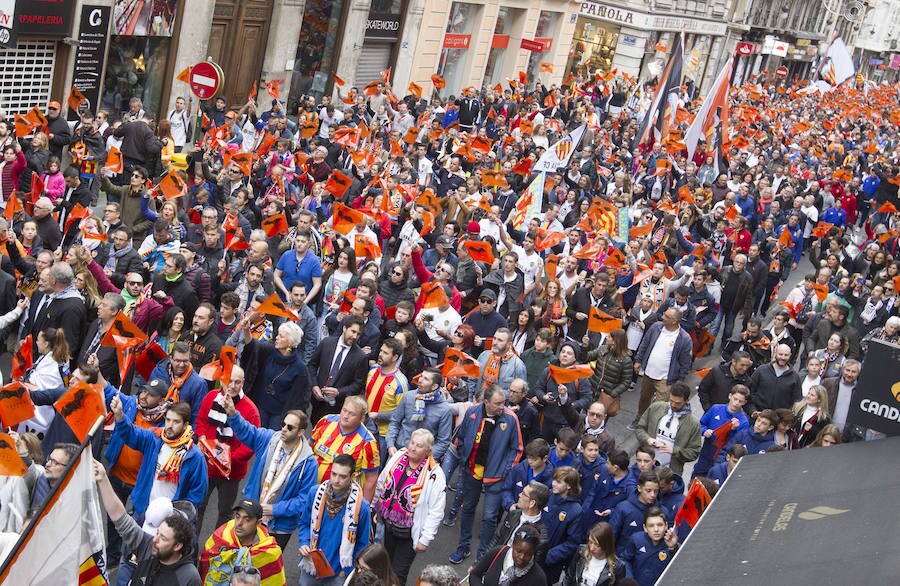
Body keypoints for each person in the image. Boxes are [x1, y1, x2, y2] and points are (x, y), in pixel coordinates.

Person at [224, 393, 318, 550]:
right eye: (283, 424)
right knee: (239, 559)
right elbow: (247, 431)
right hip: (251, 514)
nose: (284, 429)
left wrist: (275, 510)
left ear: (301, 432)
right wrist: (233, 414)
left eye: (290, 427)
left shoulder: (309, 463)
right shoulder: (269, 439)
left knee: (267, 569)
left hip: (279, 526)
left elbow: (304, 500)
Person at [93, 460, 201, 586]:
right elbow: (120, 517)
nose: (155, 539)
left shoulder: (189, 578)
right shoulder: (149, 546)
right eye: (157, 533)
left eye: (163, 538)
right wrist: (103, 479)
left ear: (177, 546)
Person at [450, 384, 524, 564]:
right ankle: (463, 547)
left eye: (503, 402)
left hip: (496, 477)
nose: (502, 406)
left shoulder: (511, 418)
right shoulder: (473, 412)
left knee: (490, 517)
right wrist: (464, 459)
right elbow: (462, 436)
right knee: (467, 509)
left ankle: (482, 556)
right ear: (486, 402)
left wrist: (504, 471)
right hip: (471, 471)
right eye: (497, 403)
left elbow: (517, 449)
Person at [109, 395, 208, 519]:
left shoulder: (194, 456)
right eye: (168, 420)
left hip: (169, 520)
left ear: (185, 425)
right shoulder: (155, 437)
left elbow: (197, 492)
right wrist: (119, 415)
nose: (170, 425)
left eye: (176, 421)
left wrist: (179, 516)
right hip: (142, 512)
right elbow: (132, 434)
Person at [373, 429, 447, 586]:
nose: (412, 448)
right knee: (385, 566)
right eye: (412, 442)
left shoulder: (435, 474)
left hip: (410, 533)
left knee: (398, 573)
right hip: (388, 524)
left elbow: (436, 511)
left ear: (427, 451)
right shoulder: (399, 456)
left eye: (419, 445)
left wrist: (425, 539)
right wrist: (376, 507)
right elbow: (382, 481)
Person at [195, 365, 260, 529]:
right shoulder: (211, 397)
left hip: (231, 472)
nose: (232, 386)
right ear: (222, 380)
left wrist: (224, 460)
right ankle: (191, 548)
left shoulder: (251, 410)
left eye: (237, 382)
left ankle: (217, 550)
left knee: (225, 512)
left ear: (243, 383)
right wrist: (202, 440)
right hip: (206, 466)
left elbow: (250, 445)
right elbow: (201, 421)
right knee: (198, 507)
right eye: (229, 381)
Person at [298, 453, 372, 586]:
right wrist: (304, 542)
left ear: (352, 476)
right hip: (311, 565)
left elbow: (362, 544)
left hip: (338, 574)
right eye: (334, 474)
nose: (336, 480)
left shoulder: (362, 507)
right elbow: (304, 523)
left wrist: (346, 570)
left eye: (342, 476)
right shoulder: (315, 493)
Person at [238, 318, 310, 428]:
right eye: (278, 335)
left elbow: (299, 399)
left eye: (281, 336)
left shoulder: (300, 369)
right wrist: (246, 330)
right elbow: (252, 346)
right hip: (259, 406)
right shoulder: (269, 351)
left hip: (279, 415)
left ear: (290, 343)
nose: (276, 338)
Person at [309, 395, 381, 500]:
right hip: (310, 487)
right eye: (344, 410)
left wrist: (362, 507)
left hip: (339, 498)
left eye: (351, 414)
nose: (345, 416)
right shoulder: (326, 420)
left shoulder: (368, 442)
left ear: (362, 418)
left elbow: (372, 479)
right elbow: (309, 446)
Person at [199, 498, 286, 584]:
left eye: (247, 519)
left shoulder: (269, 552)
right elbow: (205, 566)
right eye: (237, 516)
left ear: (258, 523)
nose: (239, 523)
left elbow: (274, 581)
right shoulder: (221, 537)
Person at [631, 308, 693, 427]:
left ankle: (652, 426)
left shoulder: (684, 339)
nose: (663, 317)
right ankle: (640, 419)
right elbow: (645, 343)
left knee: (660, 406)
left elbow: (685, 363)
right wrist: (638, 360)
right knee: (644, 398)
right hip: (648, 373)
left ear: (674, 321)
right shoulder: (656, 327)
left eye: (667, 316)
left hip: (666, 379)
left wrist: (679, 382)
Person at [307, 315, 368, 424]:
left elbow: (358, 384)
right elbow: (312, 365)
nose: (354, 336)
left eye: (358, 334)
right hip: (317, 401)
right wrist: (314, 385)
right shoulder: (327, 343)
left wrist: (339, 392)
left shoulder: (360, 357)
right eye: (353, 331)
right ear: (344, 328)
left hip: (338, 407)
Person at [385, 368, 454, 461]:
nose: (420, 380)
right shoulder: (408, 397)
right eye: (421, 376)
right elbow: (395, 422)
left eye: (426, 379)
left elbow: (443, 441)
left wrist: (427, 459)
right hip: (398, 452)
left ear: (434, 386)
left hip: (423, 460)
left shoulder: (444, 409)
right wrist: (390, 445)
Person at [634, 382, 701, 475]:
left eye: (678, 403)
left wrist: (674, 450)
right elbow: (639, 428)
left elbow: (694, 452)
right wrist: (648, 439)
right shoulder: (656, 407)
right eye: (671, 401)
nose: (673, 405)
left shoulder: (693, 423)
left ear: (687, 400)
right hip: (645, 465)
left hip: (669, 472)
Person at [693, 385, 750, 477]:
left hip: (723, 460)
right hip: (706, 455)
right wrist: (705, 431)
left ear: (744, 402)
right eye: (735, 399)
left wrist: (734, 431)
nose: (736, 403)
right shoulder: (716, 408)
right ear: (730, 396)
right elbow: (700, 425)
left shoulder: (743, 422)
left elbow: (739, 445)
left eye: (740, 401)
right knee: (696, 480)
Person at [489, 480, 551, 564]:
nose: (519, 495)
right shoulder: (513, 514)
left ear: (532, 503)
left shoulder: (541, 539)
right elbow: (496, 538)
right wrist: (480, 563)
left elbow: (533, 569)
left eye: (523, 494)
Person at [150, 340, 208, 424]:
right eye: (178, 361)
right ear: (171, 359)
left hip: (180, 431)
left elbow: (198, 417)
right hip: (154, 423)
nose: (181, 365)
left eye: (185, 361)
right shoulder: (158, 372)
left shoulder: (198, 384)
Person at [468, 524, 547, 586]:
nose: (522, 557)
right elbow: (475, 575)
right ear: (512, 544)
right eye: (518, 551)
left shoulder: (538, 579)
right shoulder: (498, 552)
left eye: (528, 554)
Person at [542, 466, 583, 584]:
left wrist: (548, 557)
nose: (553, 483)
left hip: (549, 565)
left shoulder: (576, 511)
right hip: (529, 554)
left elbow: (572, 543)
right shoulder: (546, 496)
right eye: (554, 480)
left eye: (558, 482)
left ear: (569, 485)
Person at [619, 507, 678, 586]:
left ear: (666, 526)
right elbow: (624, 560)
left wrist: (673, 549)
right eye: (651, 526)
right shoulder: (636, 539)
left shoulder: (673, 545)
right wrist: (630, 580)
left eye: (660, 525)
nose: (656, 529)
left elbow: (680, 570)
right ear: (645, 528)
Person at [609, 470, 659, 555]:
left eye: (656, 491)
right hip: (623, 558)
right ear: (639, 488)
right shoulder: (623, 508)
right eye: (648, 491)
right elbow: (611, 536)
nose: (653, 495)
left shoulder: (661, 511)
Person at [562, 522, 626, 586]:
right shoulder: (581, 552)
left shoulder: (618, 567)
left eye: (597, 545)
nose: (592, 548)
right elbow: (568, 578)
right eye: (590, 542)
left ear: (606, 545)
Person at [746, 343, 802, 416]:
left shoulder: (795, 377)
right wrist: (752, 411)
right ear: (775, 353)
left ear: (790, 355)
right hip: (758, 416)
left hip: (778, 420)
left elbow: (796, 401)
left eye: (786, 355)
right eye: (780, 354)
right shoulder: (761, 370)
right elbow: (749, 391)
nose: (783, 357)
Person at [475, 328, 527, 395]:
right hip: (478, 402)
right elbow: (473, 379)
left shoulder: (517, 365)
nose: (495, 343)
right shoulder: (484, 355)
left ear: (509, 344)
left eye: (500, 340)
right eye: (494, 338)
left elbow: (519, 393)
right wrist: (471, 399)